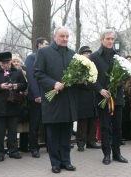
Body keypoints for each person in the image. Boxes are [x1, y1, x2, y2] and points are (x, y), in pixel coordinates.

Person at [34, 26, 77, 173]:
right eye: (62, 36)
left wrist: (78, 79)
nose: (65, 39)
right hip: (52, 100)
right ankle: (55, 163)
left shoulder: (73, 54)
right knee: (52, 135)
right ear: (55, 36)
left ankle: (66, 161)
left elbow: (76, 74)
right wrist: (53, 83)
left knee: (66, 133)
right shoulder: (43, 52)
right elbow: (38, 73)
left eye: (67, 36)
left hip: (67, 100)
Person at [89, 29, 128, 165]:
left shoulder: (119, 56)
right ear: (102, 40)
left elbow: (124, 76)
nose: (111, 41)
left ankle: (117, 153)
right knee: (105, 127)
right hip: (102, 98)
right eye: (108, 39)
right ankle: (107, 154)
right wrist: (100, 89)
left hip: (117, 97)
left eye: (112, 39)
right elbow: (91, 78)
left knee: (117, 127)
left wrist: (121, 80)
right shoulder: (94, 57)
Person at [0, 52, 27, 161]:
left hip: (13, 106)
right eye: (3, 63)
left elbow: (24, 85)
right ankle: (0, 152)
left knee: (13, 131)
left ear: (10, 61)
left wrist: (17, 86)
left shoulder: (18, 71)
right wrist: (0, 86)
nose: (6, 65)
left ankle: (13, 151)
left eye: (8, 62)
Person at [25, 37, 49, 158]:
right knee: (34, 124)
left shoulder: (48, 58)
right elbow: (31, 77)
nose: (47, 45)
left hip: (48, 97)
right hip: (36, 97)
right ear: (39, 44)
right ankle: (33, 147)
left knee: (48, 123)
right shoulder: (31, 57)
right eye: (46, 44)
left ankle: (49, 145)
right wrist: (37, 95)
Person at [75, 46, 101, 152]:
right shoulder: (77, 66)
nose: (88, 54)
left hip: (93, 97)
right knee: (83, 121)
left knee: (93, 120)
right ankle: (81, 143)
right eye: (86, 53)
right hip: (82, 98)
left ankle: (91, 141)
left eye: (89, 52)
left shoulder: (93, 65)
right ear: (81, 55)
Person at [11, 54, 29, 153]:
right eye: (14, 61)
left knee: (25, 125)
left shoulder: (25, 72)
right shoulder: (9, 72)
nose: (16, 63)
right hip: (14, 101)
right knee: (13, 126)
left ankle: (24, 146)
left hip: (24, 102)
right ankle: (13, 147)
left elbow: (28, 84)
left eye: (17, 61)